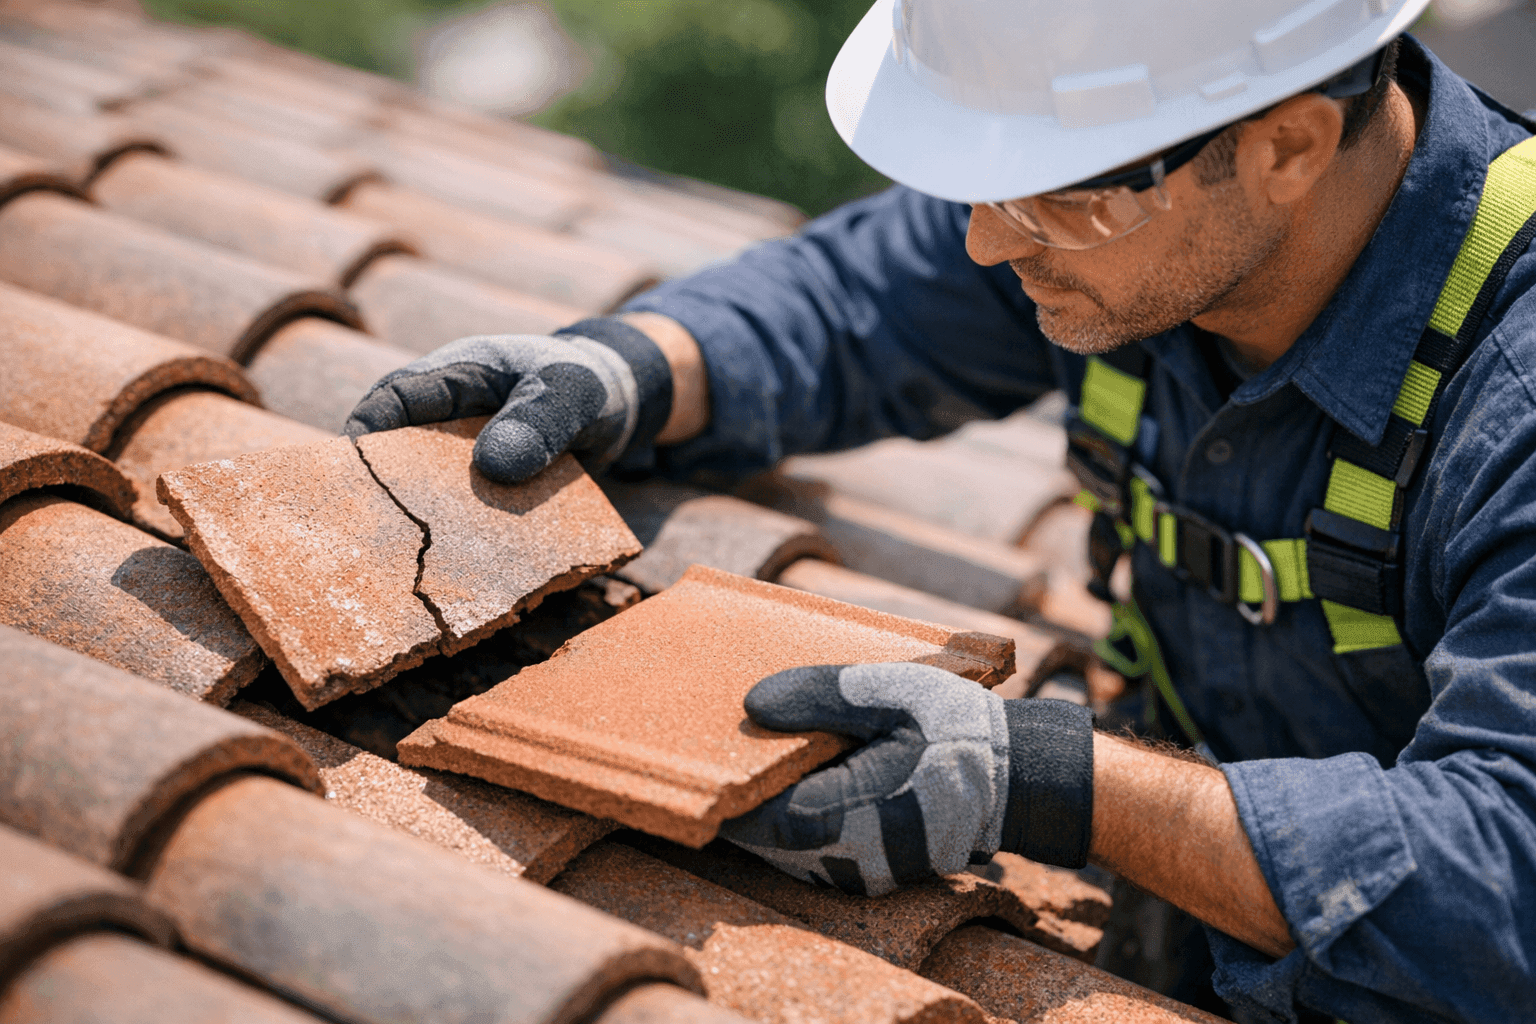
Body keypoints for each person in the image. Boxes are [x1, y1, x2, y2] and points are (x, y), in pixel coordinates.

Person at [345, 2, 1536, 1020]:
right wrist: (635, 370)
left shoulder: (1512, 388)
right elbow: (859, 298)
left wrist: (1049, 781)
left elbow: (1500, 881)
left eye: (1047, 199)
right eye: (980, 183)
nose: (984, 239)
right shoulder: (1140, 196)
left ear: (1289, 144)